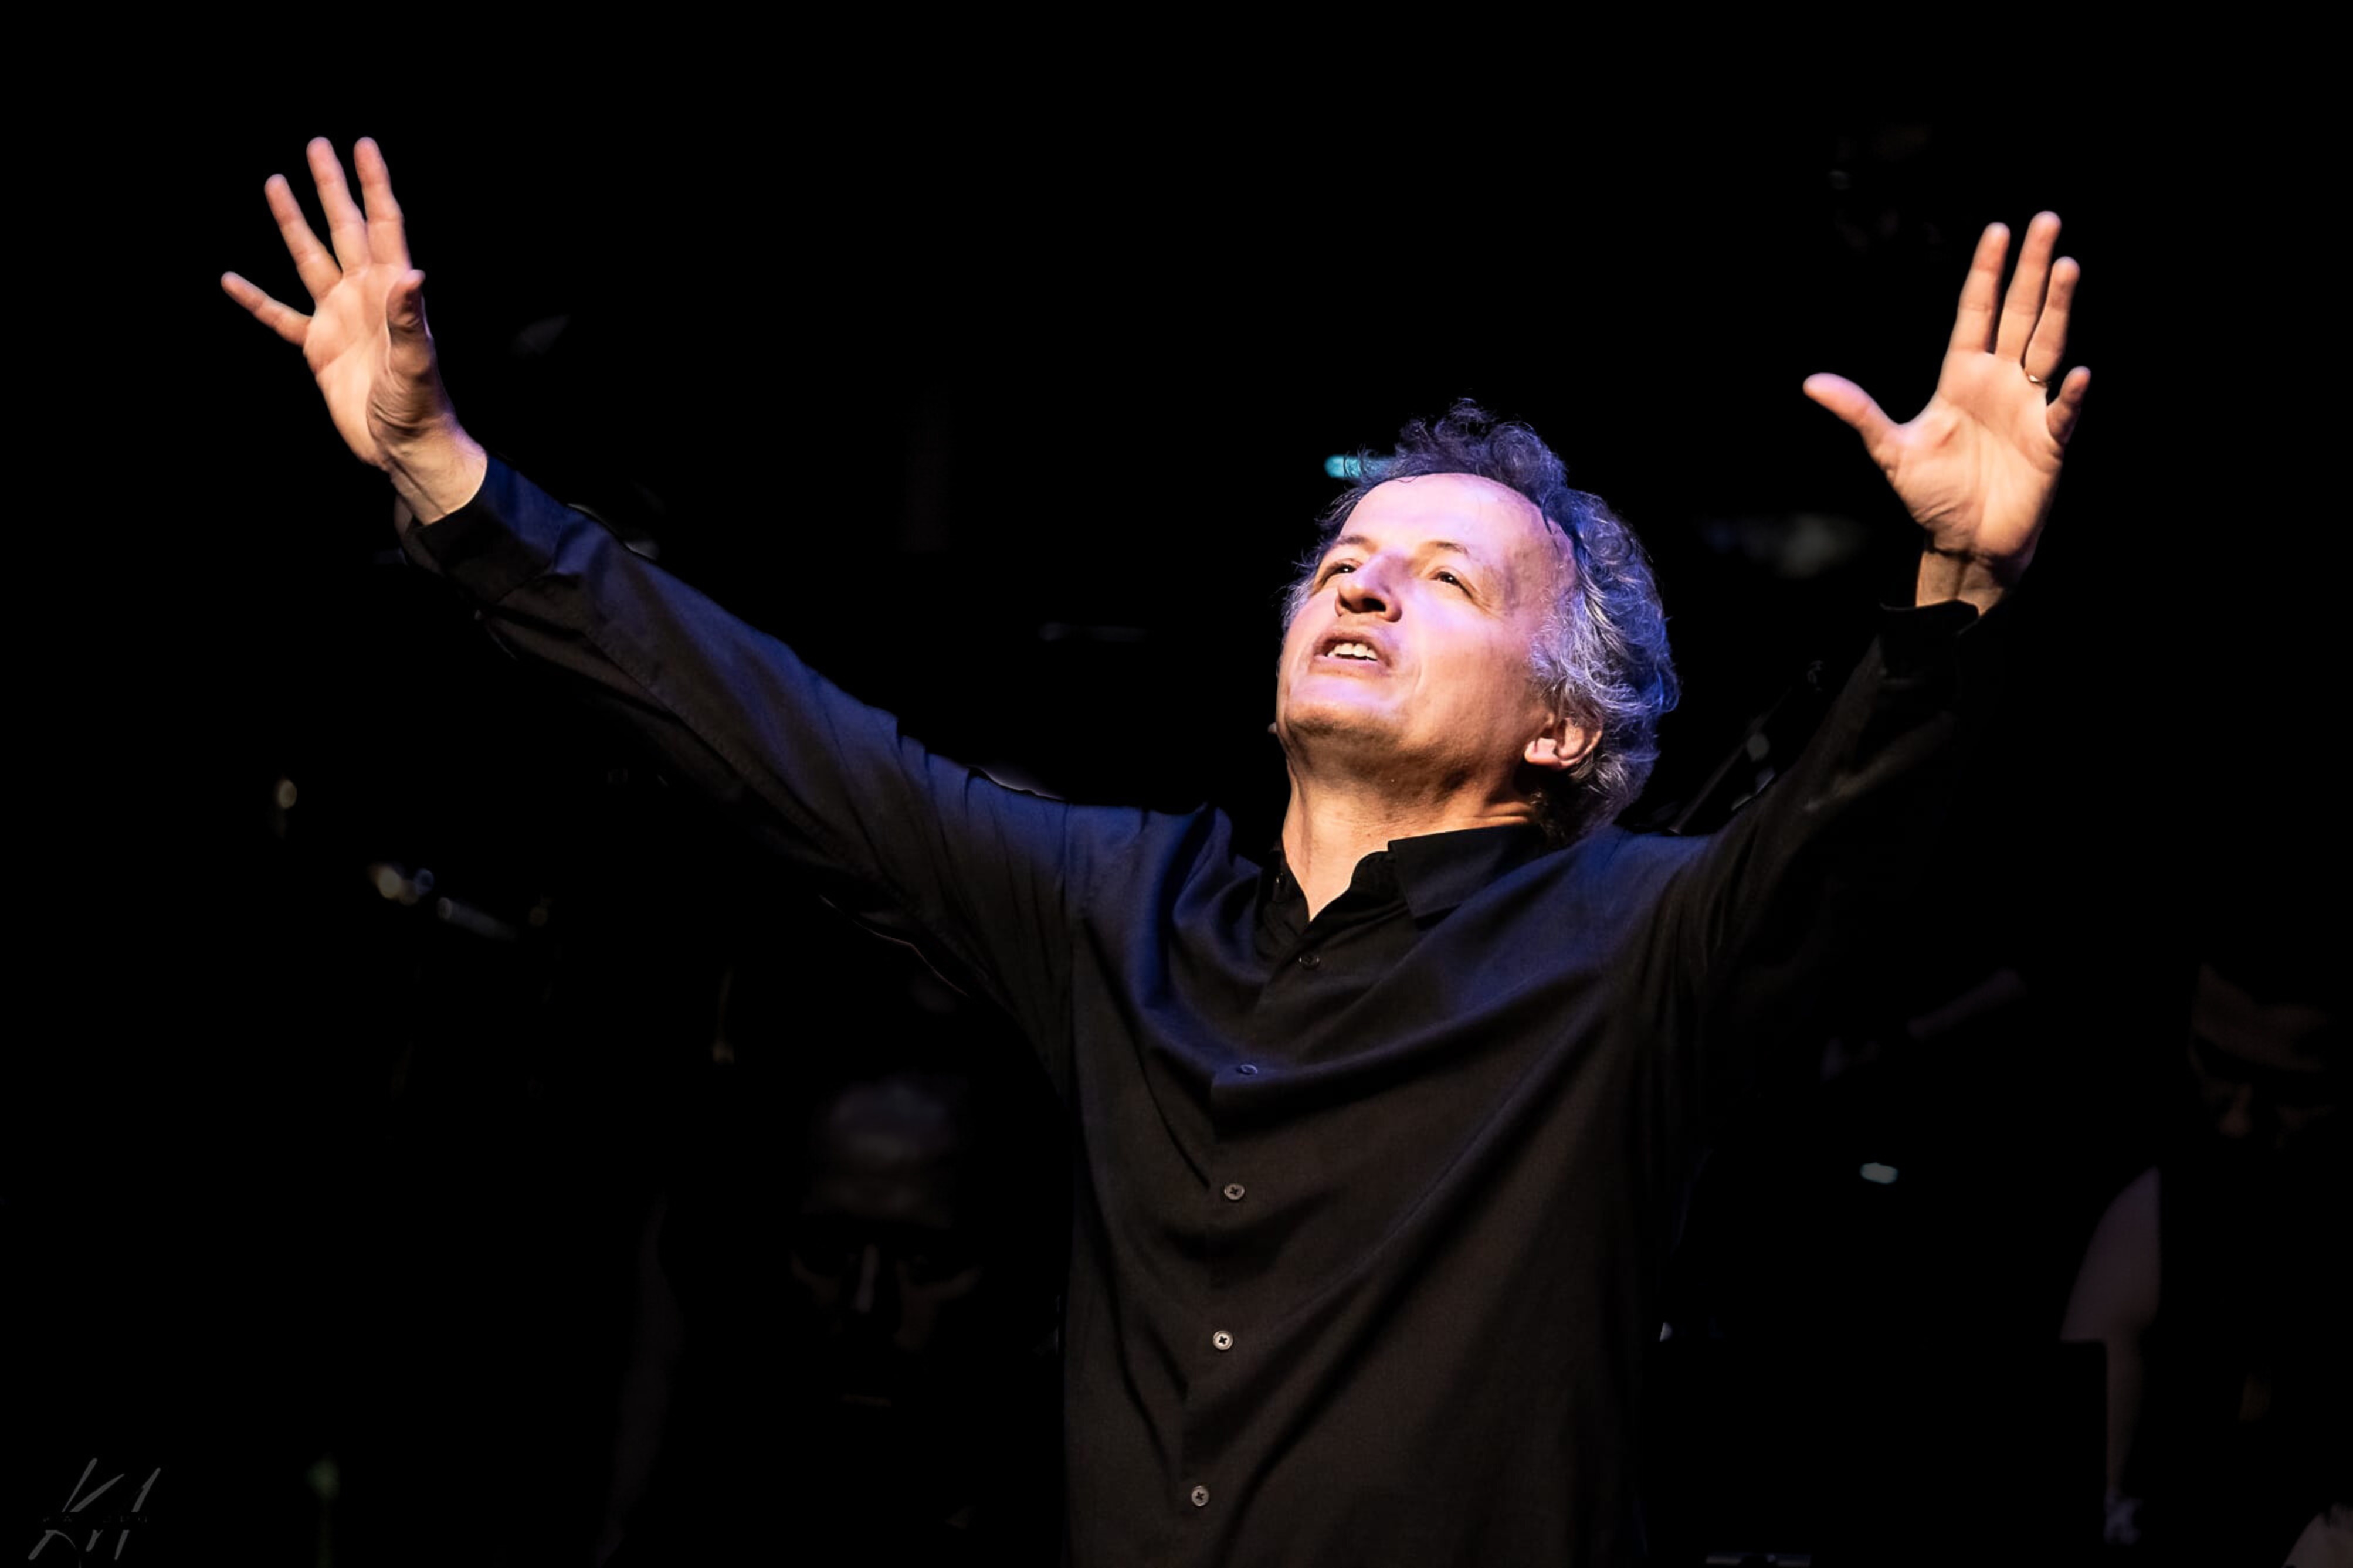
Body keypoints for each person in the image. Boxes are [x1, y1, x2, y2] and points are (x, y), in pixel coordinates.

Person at [225, 137, 2090, 1565]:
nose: (1362, 583)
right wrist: (449, 477)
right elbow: (783, 745)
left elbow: (1841, 841)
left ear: (1561, 726)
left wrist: (1961, 579)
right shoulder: (1123, 909)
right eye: (1343, 561)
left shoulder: (1634, 948)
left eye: (1447, 580)